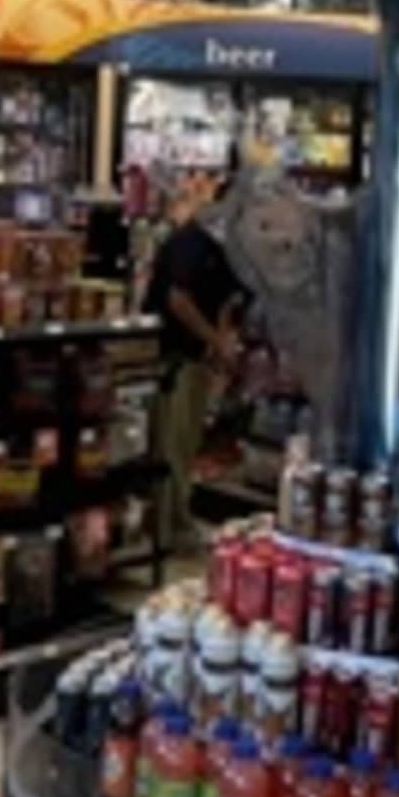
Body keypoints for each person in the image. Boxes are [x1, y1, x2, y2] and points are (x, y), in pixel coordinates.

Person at [145, 170, 248, 561]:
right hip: (172, 354)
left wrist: (222, 346)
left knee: (185, 442)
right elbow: (178, 299)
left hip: (195, 355)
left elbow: (223, 301)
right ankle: (170, 526)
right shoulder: (194, 239)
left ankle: (175, 519)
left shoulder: (225, 246)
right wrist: (215, 340)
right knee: (172, 442)